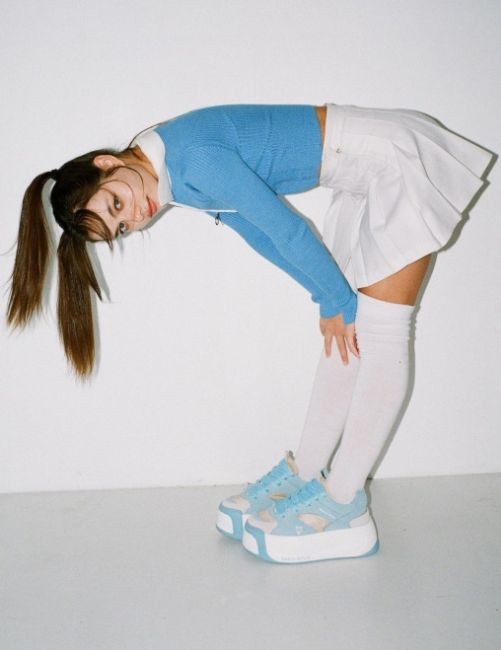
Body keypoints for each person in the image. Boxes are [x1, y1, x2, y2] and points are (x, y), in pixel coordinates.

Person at [6, 102, 494, 564]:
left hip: (391, 160)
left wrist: (334, 299)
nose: (135, 218)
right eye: (121, 228)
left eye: (116, 202)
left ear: (107, 162)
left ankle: (346, 503)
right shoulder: (172, 171)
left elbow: (286, 229)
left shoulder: (192, 159)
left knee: (380, 333)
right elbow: (258, 231)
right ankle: (309, 473)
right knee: (344, 337)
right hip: (361, 176)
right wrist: (326, 299)